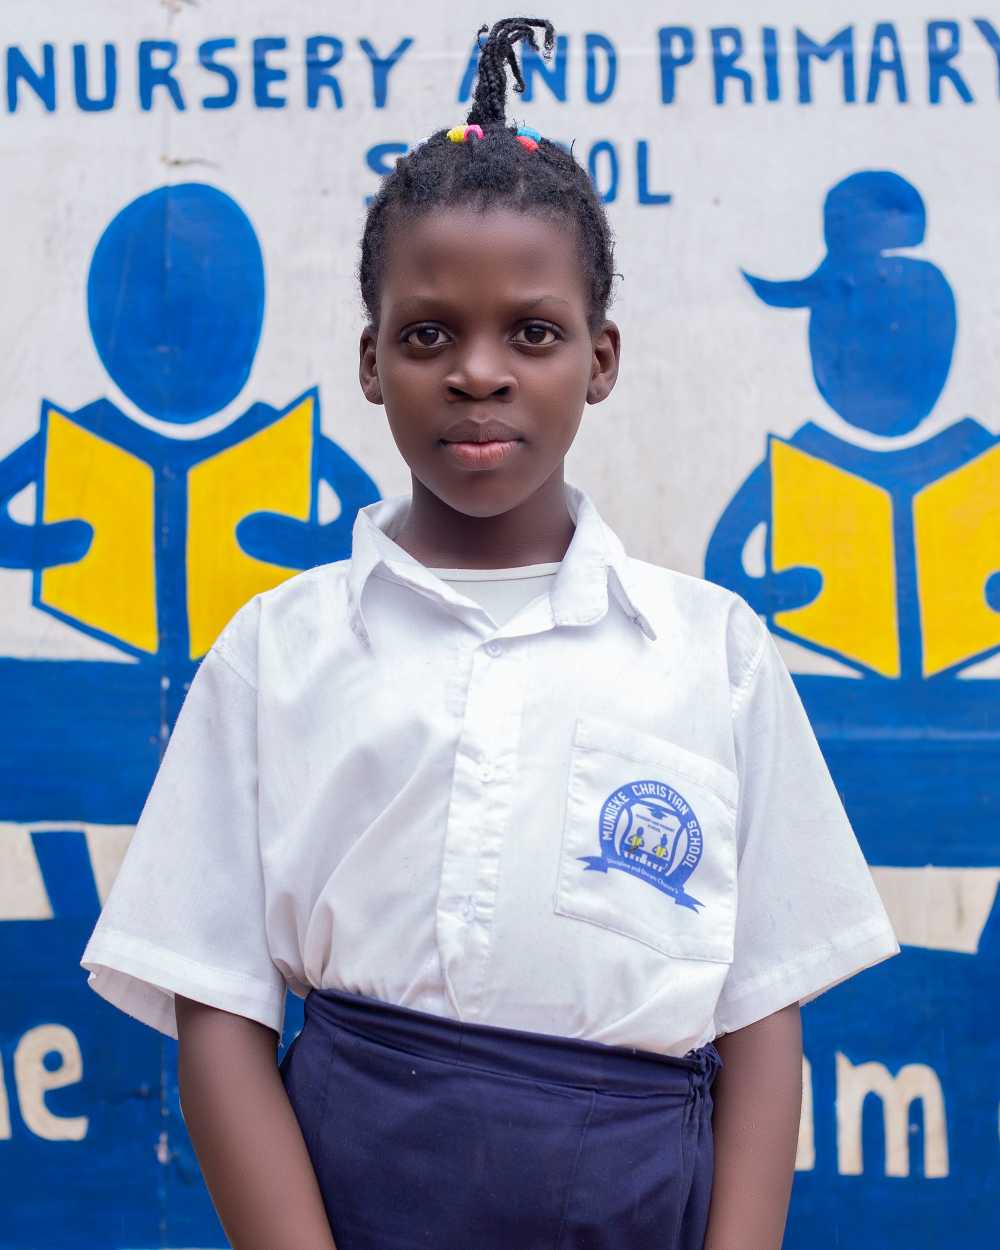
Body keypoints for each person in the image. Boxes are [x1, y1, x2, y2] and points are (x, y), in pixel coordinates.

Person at [80, 17, 899, 1250]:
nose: (478, 372)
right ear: (369, 360)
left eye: (531, 331)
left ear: (599, 358)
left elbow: (764, 1014)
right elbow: (218, 1009)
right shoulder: (277, 650)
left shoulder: (709, 652)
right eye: (428, 334)